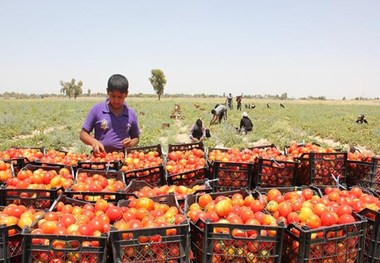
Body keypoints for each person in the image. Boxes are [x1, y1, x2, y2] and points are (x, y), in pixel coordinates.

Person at [80, 74, 140, 154]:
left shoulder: (130, 113)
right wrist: (93, 142)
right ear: (108, 92)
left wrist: (131, 142)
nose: (116, 100)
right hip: (101, 158)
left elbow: (136, 137)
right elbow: (83, 134)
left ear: (126, 94)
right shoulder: (97, 109)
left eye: (120, 97)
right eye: (113, 96)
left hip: (123, 158)